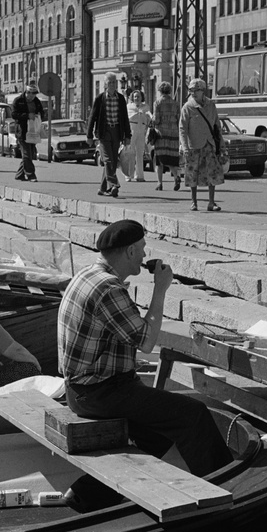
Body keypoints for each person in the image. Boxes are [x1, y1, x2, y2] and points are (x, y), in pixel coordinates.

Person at [57, 219, 232, 507]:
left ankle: (87, 493)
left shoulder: (88, 274)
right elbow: (147, 341)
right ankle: (227, 486)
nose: (144, 254)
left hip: (82, 390)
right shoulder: (108, 288)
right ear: (128, 252)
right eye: (141, 248)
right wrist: (161, 289)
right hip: (101, 392)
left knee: (157, 435)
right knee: (194, 415)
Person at [179, 77, 225, 211]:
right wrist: (184, 147)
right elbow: (182, 129)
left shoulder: (211, 105)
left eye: (196, 90)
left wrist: (221, 145)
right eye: (190, 90)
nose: (193, 93)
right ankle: (194, 202)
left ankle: (211, 202)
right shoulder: (188, 107)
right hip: (193, 145)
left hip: (209, 144)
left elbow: (217, 125)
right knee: (193, 174)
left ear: (203, 91)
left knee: (212, 173)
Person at [87, 72, 131, 196]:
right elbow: (92, 117)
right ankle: (113, 185)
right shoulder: (100, 99)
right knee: (107, 159)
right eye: (109, 82)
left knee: (112, 159)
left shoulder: (121, 98)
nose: (112, 84)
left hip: (117, 131)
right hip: (104, 132)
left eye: (114, 82)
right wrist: (89, 135)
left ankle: (102, 188)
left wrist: (128, 136)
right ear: (105, 84)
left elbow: (125, 118)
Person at [151, 81, 182, 192]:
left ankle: (159, 183)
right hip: (173, 134)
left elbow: (156, 119)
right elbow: (179, 120)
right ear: (169, 91)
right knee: (172, 159)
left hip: (161, 135)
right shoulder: (176, 103)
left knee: (159, 160)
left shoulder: (157, 103)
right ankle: (176, 177)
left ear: (160, 91)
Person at [12, 80, 44, 182]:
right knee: (26, 154)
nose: (33, 96)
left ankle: (19, 175)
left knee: (30, 154)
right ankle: (31, 175)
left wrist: (38, 116)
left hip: (33, 130)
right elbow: (14, 115)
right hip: (22, 131)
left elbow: (42, 112)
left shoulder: (36, 101)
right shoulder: (18, 101)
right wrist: (27, 116)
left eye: (35, 94)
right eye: (32, 94)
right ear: (27, 92)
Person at [126, 89, 152, 182]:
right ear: (132, 98)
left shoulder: (145, 107)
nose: (137, 98)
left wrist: (148, 115)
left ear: (142, 97)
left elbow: (149, 117)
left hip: (141, 130)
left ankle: (140, 175)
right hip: (132, 129)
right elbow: (127, 118)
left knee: (140, 153)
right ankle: (128, 175)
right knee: (130, 153)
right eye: (135, 96)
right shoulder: (129, 106)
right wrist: (137, 114)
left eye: (138, 96)